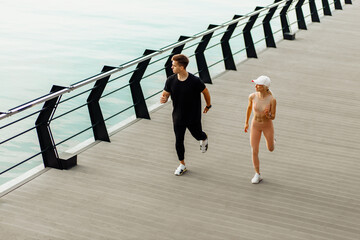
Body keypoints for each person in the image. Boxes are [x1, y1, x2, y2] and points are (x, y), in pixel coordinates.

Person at [160, 54, 211, 176]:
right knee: (179, 140)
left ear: (182, 67)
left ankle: (203, 138)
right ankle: (182, 164)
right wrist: (164, 98)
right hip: (178, 116)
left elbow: (205, 91)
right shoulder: (171, 80)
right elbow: (165, 94)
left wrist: (208, 105)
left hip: (193, 116)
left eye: (174, 65)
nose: (172, 67)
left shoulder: (195, 81)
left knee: (197, 135)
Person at [244, 75, 277, 184]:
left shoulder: (272, 100)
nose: (256, 86)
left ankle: (273, 142)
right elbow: (249, 108)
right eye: (256, 84)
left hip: (267, 125)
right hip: (255, 125)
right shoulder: (252, 96)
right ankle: (257, 174)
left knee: (271, 148)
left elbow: (273, 117)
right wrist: (246, 123)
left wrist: (268, 115)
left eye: (259, 85)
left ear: (265, 87)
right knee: (254, 150)